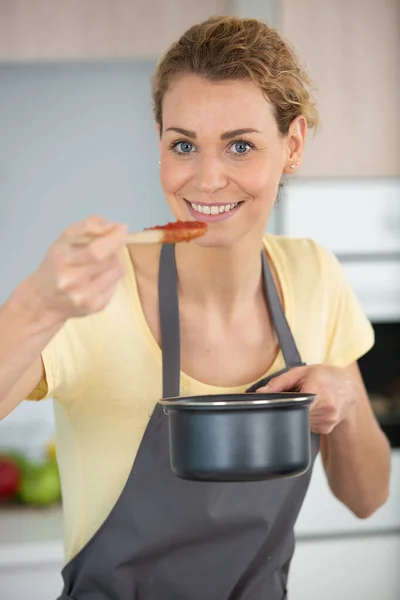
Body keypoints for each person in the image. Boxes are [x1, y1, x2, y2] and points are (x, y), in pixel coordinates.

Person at [0, 15, 391, 600]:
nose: (208, 179)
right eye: (183, 144)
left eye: (240, 145)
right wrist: (37, 302)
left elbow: (368, 498)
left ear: (293, 146)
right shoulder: (100, 295)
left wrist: (348, 401)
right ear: (157, 141)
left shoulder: (314, 276)